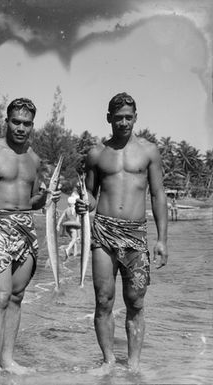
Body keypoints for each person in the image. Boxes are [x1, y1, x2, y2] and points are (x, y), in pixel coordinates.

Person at [0, 97, 61, 385]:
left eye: (27, 123)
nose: (21, 128)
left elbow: (29, 202)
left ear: (33, 125)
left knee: (17, 298)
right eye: (15, 122)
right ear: (7, 121)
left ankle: (8, 360)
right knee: (0, 298)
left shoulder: (34, 159)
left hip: (26, 231)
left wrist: (44, 198)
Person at [75, 92, 168, 374]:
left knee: (136, 302)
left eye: (129, 117)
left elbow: (158, 193)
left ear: (136, 117)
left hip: (135, 234)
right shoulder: (96, 154)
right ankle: (108, 361)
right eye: (118, 118)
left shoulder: (149, 151)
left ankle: (134, 365)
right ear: (109, 119)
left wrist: (162, 239)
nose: (124, 123)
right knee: (103, 299)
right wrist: (84, 203)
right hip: (103, 232)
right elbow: (91, 194)